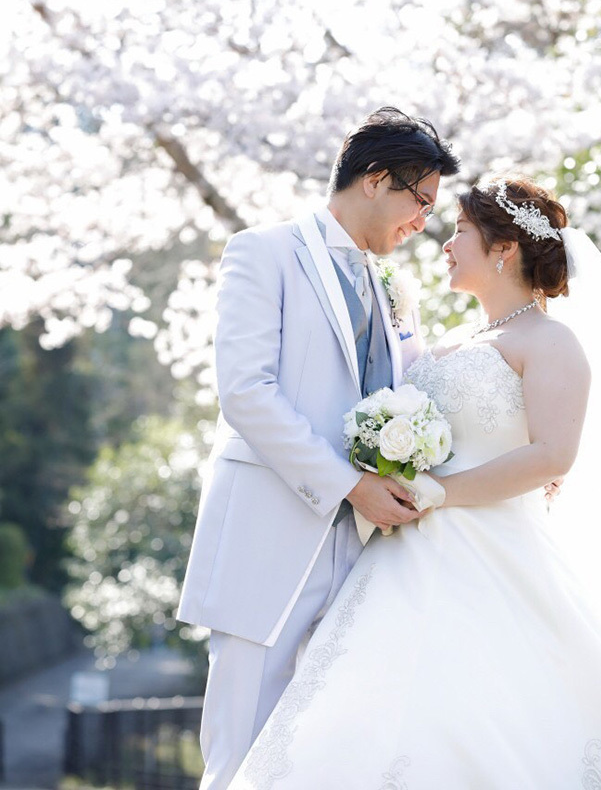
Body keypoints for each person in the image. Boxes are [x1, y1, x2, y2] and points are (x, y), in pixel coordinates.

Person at [228, 176, 601, 789]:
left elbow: (552, 456)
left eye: (461, 230)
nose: (444, 244)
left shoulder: (550, 341)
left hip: (492, 552)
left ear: (504, 248)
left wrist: (440, 492)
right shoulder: (453, 341)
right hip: (401, 553)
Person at [176, 107, 461, 788]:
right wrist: (347, 483)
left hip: (365, 554)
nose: (423, 221)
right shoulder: (262, 250)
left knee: (324, 757)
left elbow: (419, 389)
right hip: (266, 542)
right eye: (419, 200)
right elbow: (245, 392)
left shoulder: (395, 287)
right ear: (372, 179)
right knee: (240, 754)